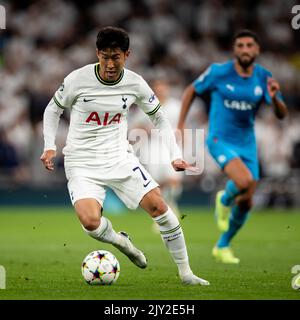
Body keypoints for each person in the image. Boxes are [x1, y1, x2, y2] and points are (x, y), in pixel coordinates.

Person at [40, 26, 209, 285]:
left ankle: (186, 273)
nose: (109, 63)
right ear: (97, 53)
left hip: (119, 157)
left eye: (115, 56)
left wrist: (175, 155)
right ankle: (123, 243)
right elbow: (52, 110)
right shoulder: (77, 79)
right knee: (90, 222)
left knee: (159, 206)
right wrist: (49, 145)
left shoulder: (135, 83)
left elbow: (160, 119)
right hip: (81, 162)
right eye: (104, 56)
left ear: (127, 54)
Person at [178, 29, 288, 264]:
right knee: (245, 181)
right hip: (220, 139)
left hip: (247, 143)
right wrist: (180, 125)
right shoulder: (219, 72)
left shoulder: (263, 76)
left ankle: (223, 245)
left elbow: (281, 114)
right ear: (234, 49)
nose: (245, 49)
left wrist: (276, 98)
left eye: (250, 45)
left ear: (257, 49)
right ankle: (224, 200)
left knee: (247, 200)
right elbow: (191, 90)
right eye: (241, 45)